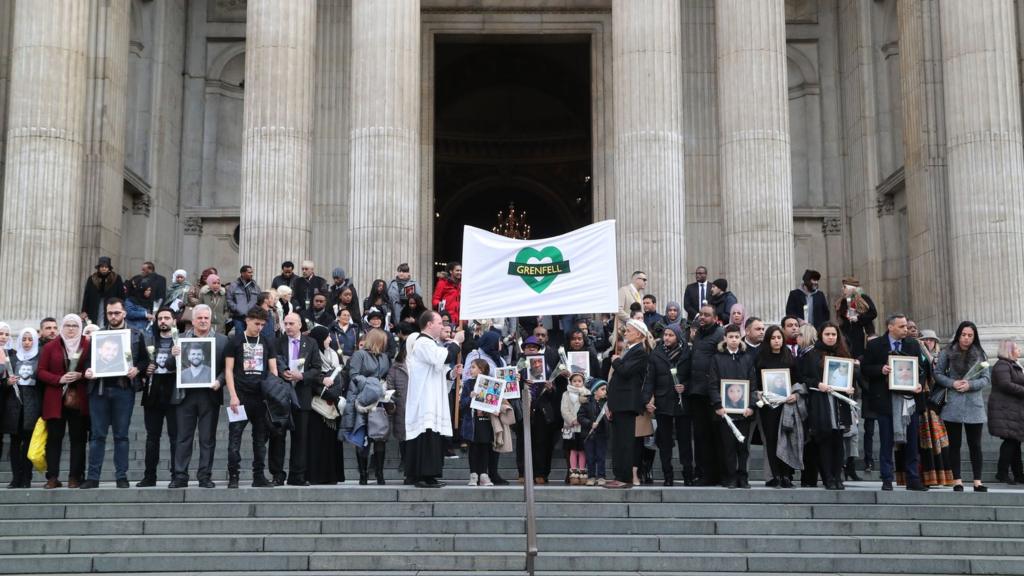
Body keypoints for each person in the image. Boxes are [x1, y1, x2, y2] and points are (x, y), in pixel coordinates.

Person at [82, 300, 149, 490]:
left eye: (117, 313)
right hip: (99, 390)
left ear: (124, 313)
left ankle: (122, 476)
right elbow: (87, 362)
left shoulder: (136, 335)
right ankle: (93, 477)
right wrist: (88, 371)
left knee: (121, 436)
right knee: (97, 436)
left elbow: (145, 360)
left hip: (123, 390)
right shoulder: (98, 336)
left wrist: (138, 369)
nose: (113, 316)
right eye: (110, 313)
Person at [861, 314, 927, 491]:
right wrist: (880, 369)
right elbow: (865, 368)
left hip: (908, 400)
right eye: (901, 326)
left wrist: (919, 384)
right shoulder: (875, 345)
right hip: (885, 401)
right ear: (890, 327)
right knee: (886, 441)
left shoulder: (912, 344)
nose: (906, 329)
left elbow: (922, 369)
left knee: (912, 441)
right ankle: (887, 478)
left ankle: (913, 478)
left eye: (906, 326)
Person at [170, 305, 227, 488]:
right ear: (192, 320)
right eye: (199, 318)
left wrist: (219, 381)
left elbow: (228, 369)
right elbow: (172, 366)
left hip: (209, 395)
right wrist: (173, 355)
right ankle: (180, 476)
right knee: (183, 437)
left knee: (207, 438)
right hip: (185, 396)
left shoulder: (222, 341)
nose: (203, 321)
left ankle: (205, 476)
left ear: (211, 320)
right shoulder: (179, 340)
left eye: (206, 318)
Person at [405, 310, 463, 488]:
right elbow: (444, 356)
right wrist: (456, 342)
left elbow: (438, 368)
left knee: (432, 435)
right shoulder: (423, 342)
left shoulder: (432, 344)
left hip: (432, 395)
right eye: (439, 323)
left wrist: (452, 373)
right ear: (429, 324)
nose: (442, 326)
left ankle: (429, 475)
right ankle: (423, 475)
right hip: (425, 399)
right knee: (426, 434)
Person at [225, 307, 278, 488]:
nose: (259, 327)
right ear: (247, 320)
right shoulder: (235, 341)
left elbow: (273, 370)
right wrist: (232, 395)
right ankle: (233, 476)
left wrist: (273, 393)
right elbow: (228, 370)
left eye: (263, 325)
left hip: (261, 397)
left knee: (260, 439)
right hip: (240, 396)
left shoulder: (267, 341)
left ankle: (259, 476)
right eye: (257, 324)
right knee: (235, 437)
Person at [933, 321, 990, 492]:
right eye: (963, 335)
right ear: (958, 335)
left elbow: (986, 378)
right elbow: (937, 374)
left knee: (976, 445)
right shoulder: (947, 352)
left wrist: (970, 385)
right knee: (955, 444)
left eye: (970, 335)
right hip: (953, 403)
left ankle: (977, 481)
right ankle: (957, 480)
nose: (966, 338)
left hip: (974, 404)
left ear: (974, 337)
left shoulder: (980, 354)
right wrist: (953, 383)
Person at [37, 314, 91, 489]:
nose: (71, 329)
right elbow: (41, 371)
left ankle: (74, 477)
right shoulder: (51, 346)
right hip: (55, 399)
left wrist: (81, 375)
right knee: (54, 439)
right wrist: (59, 379)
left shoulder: (87, 344)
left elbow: (94, 367)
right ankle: (52, 477)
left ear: (80, 327)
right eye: (67, 325)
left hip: (79, 399)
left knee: (78, 439)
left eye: (75, 325)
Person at [801, 322, 854, 490]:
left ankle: (838, 477)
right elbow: (804, 378)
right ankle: (828, 478)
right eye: (827, 334)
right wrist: (818, 384)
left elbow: (851, 377)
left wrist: (851, 388)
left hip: (840, 402)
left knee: (839, 441)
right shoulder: (812, 354)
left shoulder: (844, 354)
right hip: (821, 401)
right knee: (825, 440)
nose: (831, 337)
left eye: (833, 334)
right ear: (820, 336)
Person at [271, 313, 321, 486]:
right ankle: (277, 474)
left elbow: (317, 369)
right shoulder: (278, 342)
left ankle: (297, 475)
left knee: (300, 438)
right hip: (281, 396)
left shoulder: (311, 343)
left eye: (291, 323)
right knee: (278, 437)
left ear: (300, 325)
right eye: (285, 323)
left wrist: (302, 376)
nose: (288, 326)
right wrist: (282, 371)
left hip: (302, 396)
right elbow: (273, 362)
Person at [642, 323, 691, 486]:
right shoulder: (656, 354)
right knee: (665, 442)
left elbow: (693, 375)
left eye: (671, 335)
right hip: (663, 403)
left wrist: (685, 386)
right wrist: (647, 399)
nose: (667, 338)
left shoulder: (687, 353)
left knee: (684, 440)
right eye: (665, 335)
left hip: (682, 402)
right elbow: (650, 379)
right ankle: (667, 475)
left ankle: (688, 474)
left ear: (677, 336)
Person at [604, 319, 650, 489]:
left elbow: (625, 371)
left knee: (625, 442)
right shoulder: (628, 350)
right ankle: (619, 475)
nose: (625, 333)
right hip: (618, 402)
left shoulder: (640, 352)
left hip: (627, 403)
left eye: (629, 330)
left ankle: (625, 477)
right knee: (618, 442)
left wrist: (615, 361)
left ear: (638, 334)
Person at [136, 307, 179, 487]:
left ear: (174, 321)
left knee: (175, 437)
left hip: (174, 394)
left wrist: (178, 357)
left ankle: (177, 474)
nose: (163, 321)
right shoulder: (147, 340)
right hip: (152, 394)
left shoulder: (181, 341)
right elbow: (138, 362)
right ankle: (149, 475)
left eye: (166, 318)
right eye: (160, 318)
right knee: (152, 437)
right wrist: (145, 369)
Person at [709, 324, 756, 488]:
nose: (734, 340)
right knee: (728, 447)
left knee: (743, 447)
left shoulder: (747, 358)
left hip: (744, 412)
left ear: (740, 337)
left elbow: (753, 385)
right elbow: (713, 384)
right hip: (725, 412)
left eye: (737, 337)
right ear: (725, 339)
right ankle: (730, 477)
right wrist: (718, 405)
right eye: (731, 337)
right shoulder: (717, 358)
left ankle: (743, 477)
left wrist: (751, 406)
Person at [345, 328, 391, 485]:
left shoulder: (384, 357)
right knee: (363, 436)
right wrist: (371, 384)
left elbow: (386, 374)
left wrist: (383, 386)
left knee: (379, 436)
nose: (385, 343)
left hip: (379, 401)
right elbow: (353, 375)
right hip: (363, 398)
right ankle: (363, 474)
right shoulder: (360, 355)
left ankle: (379, 473)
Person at [755, 325, 798, 488]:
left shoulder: (789, 357)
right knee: (772, 440)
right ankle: (775, 476)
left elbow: (796, 380)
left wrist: (795, 394)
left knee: (786, 440)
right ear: (768, 340)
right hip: (768, 407)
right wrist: (759, 393)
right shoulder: (760, 358)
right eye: (773, 338)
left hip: (786, 406)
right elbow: (756, 381)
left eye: (779, 337)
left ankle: (786, 475)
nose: (776, 341)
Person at [687, 305, 724, 486]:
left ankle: (713, 474)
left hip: (711, 394)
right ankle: (701, 472)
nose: (702, 317)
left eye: (707, 315)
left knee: (712, 436)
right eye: (701, 314)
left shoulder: (719, 334)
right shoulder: (698, 334)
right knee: (700, 436)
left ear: (715, 318)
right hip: (696, 392)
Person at [1, 328, 41, 488]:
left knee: (29, 443)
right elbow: (3, 382)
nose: (26, 342)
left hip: (32, 406)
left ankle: (27, 477)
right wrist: (7, 382)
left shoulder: (39, 357)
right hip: (14, 406)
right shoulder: (12, 358)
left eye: (30, 339)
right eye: (24, 339)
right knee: (14, 443)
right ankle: (16, 477)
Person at [304, 325, 344, 485]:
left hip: (332, 406)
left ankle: (331, 475)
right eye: (327, 337)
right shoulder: (311, 356)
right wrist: (324, 390)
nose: (330, 339)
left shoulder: (333, 354)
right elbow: (310, 377)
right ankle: (315, 475)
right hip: (316, 406)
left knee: (331, 442)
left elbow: (340, 373)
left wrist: (335, 392)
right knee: (316, 442)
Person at [989, 339, 1024, 485]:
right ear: (1009, 351)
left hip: (1013, 411)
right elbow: (1005, 384)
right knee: (1011, 441)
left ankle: (1018, 475)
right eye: (1016, 348)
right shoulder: (1003, 365)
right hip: (1005, 411)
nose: (1019, 351)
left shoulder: (1013, 365)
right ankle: (1001, 472)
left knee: (1014, 442)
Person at [460, 359, 495, 486]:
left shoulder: (490, 383)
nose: (470, 369)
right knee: (474, 447)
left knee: (485, 447)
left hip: (486, 421)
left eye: (473, 367)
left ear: (482, 369)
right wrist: (470, 397)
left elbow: (495, 401)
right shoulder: (468, 383)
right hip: (472, 421)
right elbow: (461, 405)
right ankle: (473, 475)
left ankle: (484, 474)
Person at [834, 276, 877, 359]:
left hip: (862, 333)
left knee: (861, 357)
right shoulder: (842, 301)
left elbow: (873, 313)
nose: (842, 289)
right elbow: (841, 318)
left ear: (852, 288)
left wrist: (858, 318)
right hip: (847, 335)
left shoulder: (863, 297)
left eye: (845, 287)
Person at [561, 372, 591, 485]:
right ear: (570, 382)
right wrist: (572, 420)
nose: (577, 383)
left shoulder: (587, 393)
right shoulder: (566, 394)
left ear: (583, 382)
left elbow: (590, 409)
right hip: (571, 426)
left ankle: (582, 471)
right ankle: (573, 473)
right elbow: (564, 409)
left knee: (582, 450)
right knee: (572, 449)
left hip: (583, 427)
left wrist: (582, 420)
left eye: (579, 381)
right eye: (574, 381)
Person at [578, 379, 609, 486]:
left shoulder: (606, 403)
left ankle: (601, 476)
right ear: (595, 391)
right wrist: (590, 423)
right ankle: (591, 476)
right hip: (589, 434)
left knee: (601, 456)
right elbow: (580, 417)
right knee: (590, 456)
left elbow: (609, 418)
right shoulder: (586, 403)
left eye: (605, 389)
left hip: (602, 434)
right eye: (602, 389)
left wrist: (608, 417)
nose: (605, 391)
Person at [81, 256, 125, 327]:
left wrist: (122, 307)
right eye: (102, 266)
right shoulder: (92, 278)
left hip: (111, 305)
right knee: (95, 324)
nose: (104, 268)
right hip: (94, 305)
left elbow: (121, 294)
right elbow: (87, 295)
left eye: (106, 267)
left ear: (109, 268)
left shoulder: (116, 278)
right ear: (99, 268)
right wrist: (84, 310)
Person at [227, 265, 261, 335]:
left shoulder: (255, 286)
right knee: (240, 338)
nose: (251, 274)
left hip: (252, 317)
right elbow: (229, 300)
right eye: (249, 272)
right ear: (242, 273)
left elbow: (260, 299)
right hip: (239, 317)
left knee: (251, 336)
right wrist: (236, 309)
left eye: (252, 272)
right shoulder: (234, 285)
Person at [387, 263, 420, 330]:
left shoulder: (414, 284)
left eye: (404, 271)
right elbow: (386, 297)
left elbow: (419, 300)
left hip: (408, 312)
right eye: (399, 271)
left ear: (408, 273)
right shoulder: (391, 283)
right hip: (393, 313)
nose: (401, 273)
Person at [432, 261, 462, 326]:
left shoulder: (461, 284)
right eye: (457, 270)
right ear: (451, 271)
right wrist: (442, 307)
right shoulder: (442, 283)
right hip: (447, 319)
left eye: (460, 270)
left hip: (460, 321)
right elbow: (435, 300)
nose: (459, 272)